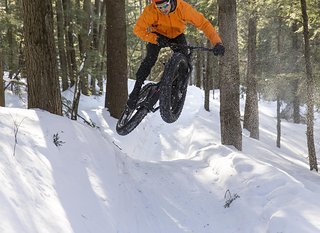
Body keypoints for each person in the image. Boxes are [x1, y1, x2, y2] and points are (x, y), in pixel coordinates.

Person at [127, 0, 225, 109]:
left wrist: (217, 43)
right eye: (159, 7)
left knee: (184, 65)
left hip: (177, 36)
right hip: (158, 35)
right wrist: (155, 39)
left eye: (165, 5)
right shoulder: (151, 11)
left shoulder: (183, 8)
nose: (163, 9)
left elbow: (203, 23)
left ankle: (174, 91)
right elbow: (138, 30)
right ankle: (135, 91)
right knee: (149, 60)